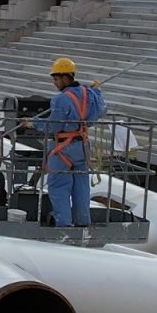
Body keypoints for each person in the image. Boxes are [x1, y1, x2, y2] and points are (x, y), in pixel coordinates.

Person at [33, 57, 106, 226]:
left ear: (66, 78)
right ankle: (82, 222)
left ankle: (64, 225)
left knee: (59, 187)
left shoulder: (60, 100)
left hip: (63, 148)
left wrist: (33, 123)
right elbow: (101, 111)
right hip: (82, 146)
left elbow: (53, 126)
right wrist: (97, 92)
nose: (55, 83)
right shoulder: (90, 94)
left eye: (56, 79)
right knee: (81, 187)